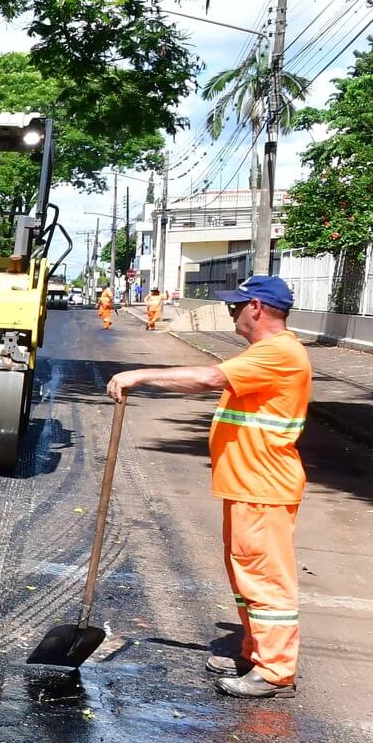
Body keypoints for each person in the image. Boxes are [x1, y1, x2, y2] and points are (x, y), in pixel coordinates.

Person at [106, 274, 309, 699]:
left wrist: (138, 376)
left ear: (257, 307)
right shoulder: (267, 352)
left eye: (237, 306)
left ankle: (275, 670)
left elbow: (207, 377)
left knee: (265, 579)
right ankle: (254, 653)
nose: (232, 314)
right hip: (249, 486)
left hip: (263, 487)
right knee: (246, 576)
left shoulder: (279, 353)